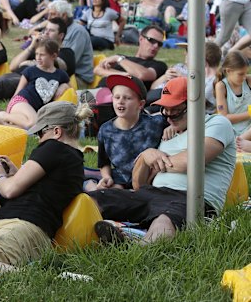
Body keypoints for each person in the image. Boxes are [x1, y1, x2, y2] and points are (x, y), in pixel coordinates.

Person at [90, 77, 236, 244]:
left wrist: (157, 162)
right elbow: (139, 184)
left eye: (175, 109)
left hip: (192, 198)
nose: (168, 116)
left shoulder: (216, 123)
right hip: (152, 194)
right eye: (165, 109)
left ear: (195, 104)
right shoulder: (168, 133)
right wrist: (145, 156)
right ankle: (74, 236)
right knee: (94, 199)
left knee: (164, 221)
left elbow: (192, 161)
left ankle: (136, 249)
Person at [0, 101, 92, 278]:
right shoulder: (72, 159)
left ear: (57, 131)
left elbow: (10, 191)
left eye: (40, 133)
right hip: (27, 229)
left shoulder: (53, 148)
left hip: (22, 225)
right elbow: (42, 190)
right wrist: (16, 174)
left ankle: (53, 279)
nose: (38, 139)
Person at [85, 75, 165, 192]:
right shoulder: (106, 130)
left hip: (150, 180)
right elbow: (104, 163)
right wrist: (107, 177)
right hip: (121, 180)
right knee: (106, 193)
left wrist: (171, 128)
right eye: (116, 97)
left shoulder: (156, 124)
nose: (120, 101)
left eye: (127, 98)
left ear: (141, 104)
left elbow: (178, 122)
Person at [0, 39, 70, 130]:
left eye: (42, 55)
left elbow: (71, 90)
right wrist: (9, 107)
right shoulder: (30, 71)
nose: (38, 57)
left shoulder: (60, 75)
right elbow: (18, 92)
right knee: (33, 123)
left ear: (53, 56)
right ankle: (3, 115)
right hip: (21, 102)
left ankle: (2, 124)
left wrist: (64, 85)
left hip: (33, 111)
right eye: (36, 54)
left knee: (31, 130)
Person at [94, 24, 167, 91]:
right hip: (98, 92)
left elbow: (142, 75)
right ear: (141, 39)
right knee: (84, 98)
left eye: (159, 44)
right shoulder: (122, 58)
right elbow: (98, 69)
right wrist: (125, 75)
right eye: (152, 40)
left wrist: (118, 60)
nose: (156, 46)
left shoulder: (159, 65)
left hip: (118, 98)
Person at [214, 51, 251, 149]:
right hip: (232, 130)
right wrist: (248, 114)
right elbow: (224, 117)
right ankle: (238, 143)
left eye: (246, 73)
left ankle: (238, 144)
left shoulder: (248, 81)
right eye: (240, 74)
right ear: (228, 71)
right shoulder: (221, 87)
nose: (244, 77)